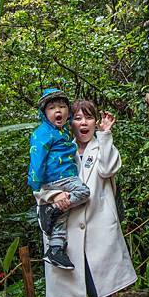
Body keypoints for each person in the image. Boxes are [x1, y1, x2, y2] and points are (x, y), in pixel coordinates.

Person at [44, 99, 137, 297]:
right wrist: (53, 197)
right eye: (77, 118)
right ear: (69, 122)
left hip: (99, 232)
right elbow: (41, 184)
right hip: (66, 234)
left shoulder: (103, 146)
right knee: (69, 296)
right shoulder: (58, 148)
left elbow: (108, 169)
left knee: (101, 293)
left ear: (96, 122)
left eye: (89, 118)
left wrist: (106, 135)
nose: (83, 123)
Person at [28, 88, 90, 270]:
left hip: (62, 180)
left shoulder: (62, 132)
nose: (58, 111)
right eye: (52, 108)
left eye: (62, 107)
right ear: (44, 113)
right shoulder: (43, 133)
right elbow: (37, 158)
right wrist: (36, 184)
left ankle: (55, 250)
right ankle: (51, 209)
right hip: (60, 179)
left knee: (61, 217)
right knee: (84, 192)